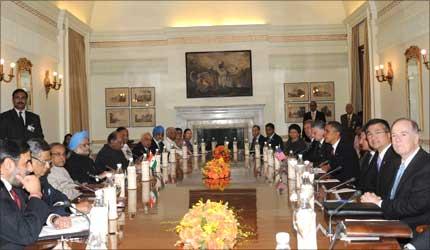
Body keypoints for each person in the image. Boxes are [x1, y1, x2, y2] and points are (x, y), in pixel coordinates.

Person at [361, 118, 430, 230]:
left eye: (403, 134)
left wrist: (380, 202)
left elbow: (416, 205)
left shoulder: (426, 164)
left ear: (416, 138)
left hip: (412, 229)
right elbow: (392, 196)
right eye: (394, 135)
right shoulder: (397, 162)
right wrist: (374, 198)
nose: (397, 140)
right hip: (390, 220)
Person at [0, 139, 50, 249]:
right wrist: (35, 194)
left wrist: (54, 219)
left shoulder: (16, 189)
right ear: (8, 164)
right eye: (27, 162)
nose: (31, 168)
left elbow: (35, 215)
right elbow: (26, 234)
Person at [364, 119, 400, 199]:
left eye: (378, 133)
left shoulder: (397, 156)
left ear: (388, 134)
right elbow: (368, 184)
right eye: (369, 134)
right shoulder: (375, 156)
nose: (373, 137)